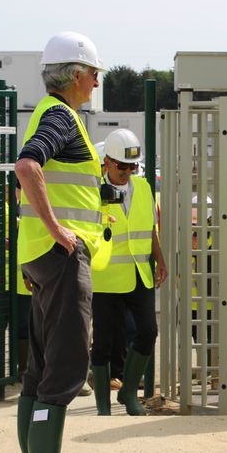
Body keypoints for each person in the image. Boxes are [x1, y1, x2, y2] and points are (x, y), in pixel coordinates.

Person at [15, 31, 105, 453]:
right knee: (67, 364)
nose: (95, 82)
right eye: (93, 73)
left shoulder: (51, 114)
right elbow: (27, 167)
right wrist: (59, 229)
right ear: (74, 74)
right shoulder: (61, 116)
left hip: (42, 255)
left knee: (42, 365)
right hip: (62, 257)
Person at [89, 128, 167, 416]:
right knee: (104, 343)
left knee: (148, 331)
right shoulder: (93, 190)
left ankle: (128, 393)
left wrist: (160, 258)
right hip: (105, 276)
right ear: (107, 161)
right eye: (122, 166)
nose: (128, 171)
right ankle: (102, 407)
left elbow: (149, 227)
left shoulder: (145, 188)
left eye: (133, 166)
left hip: (139, 273)